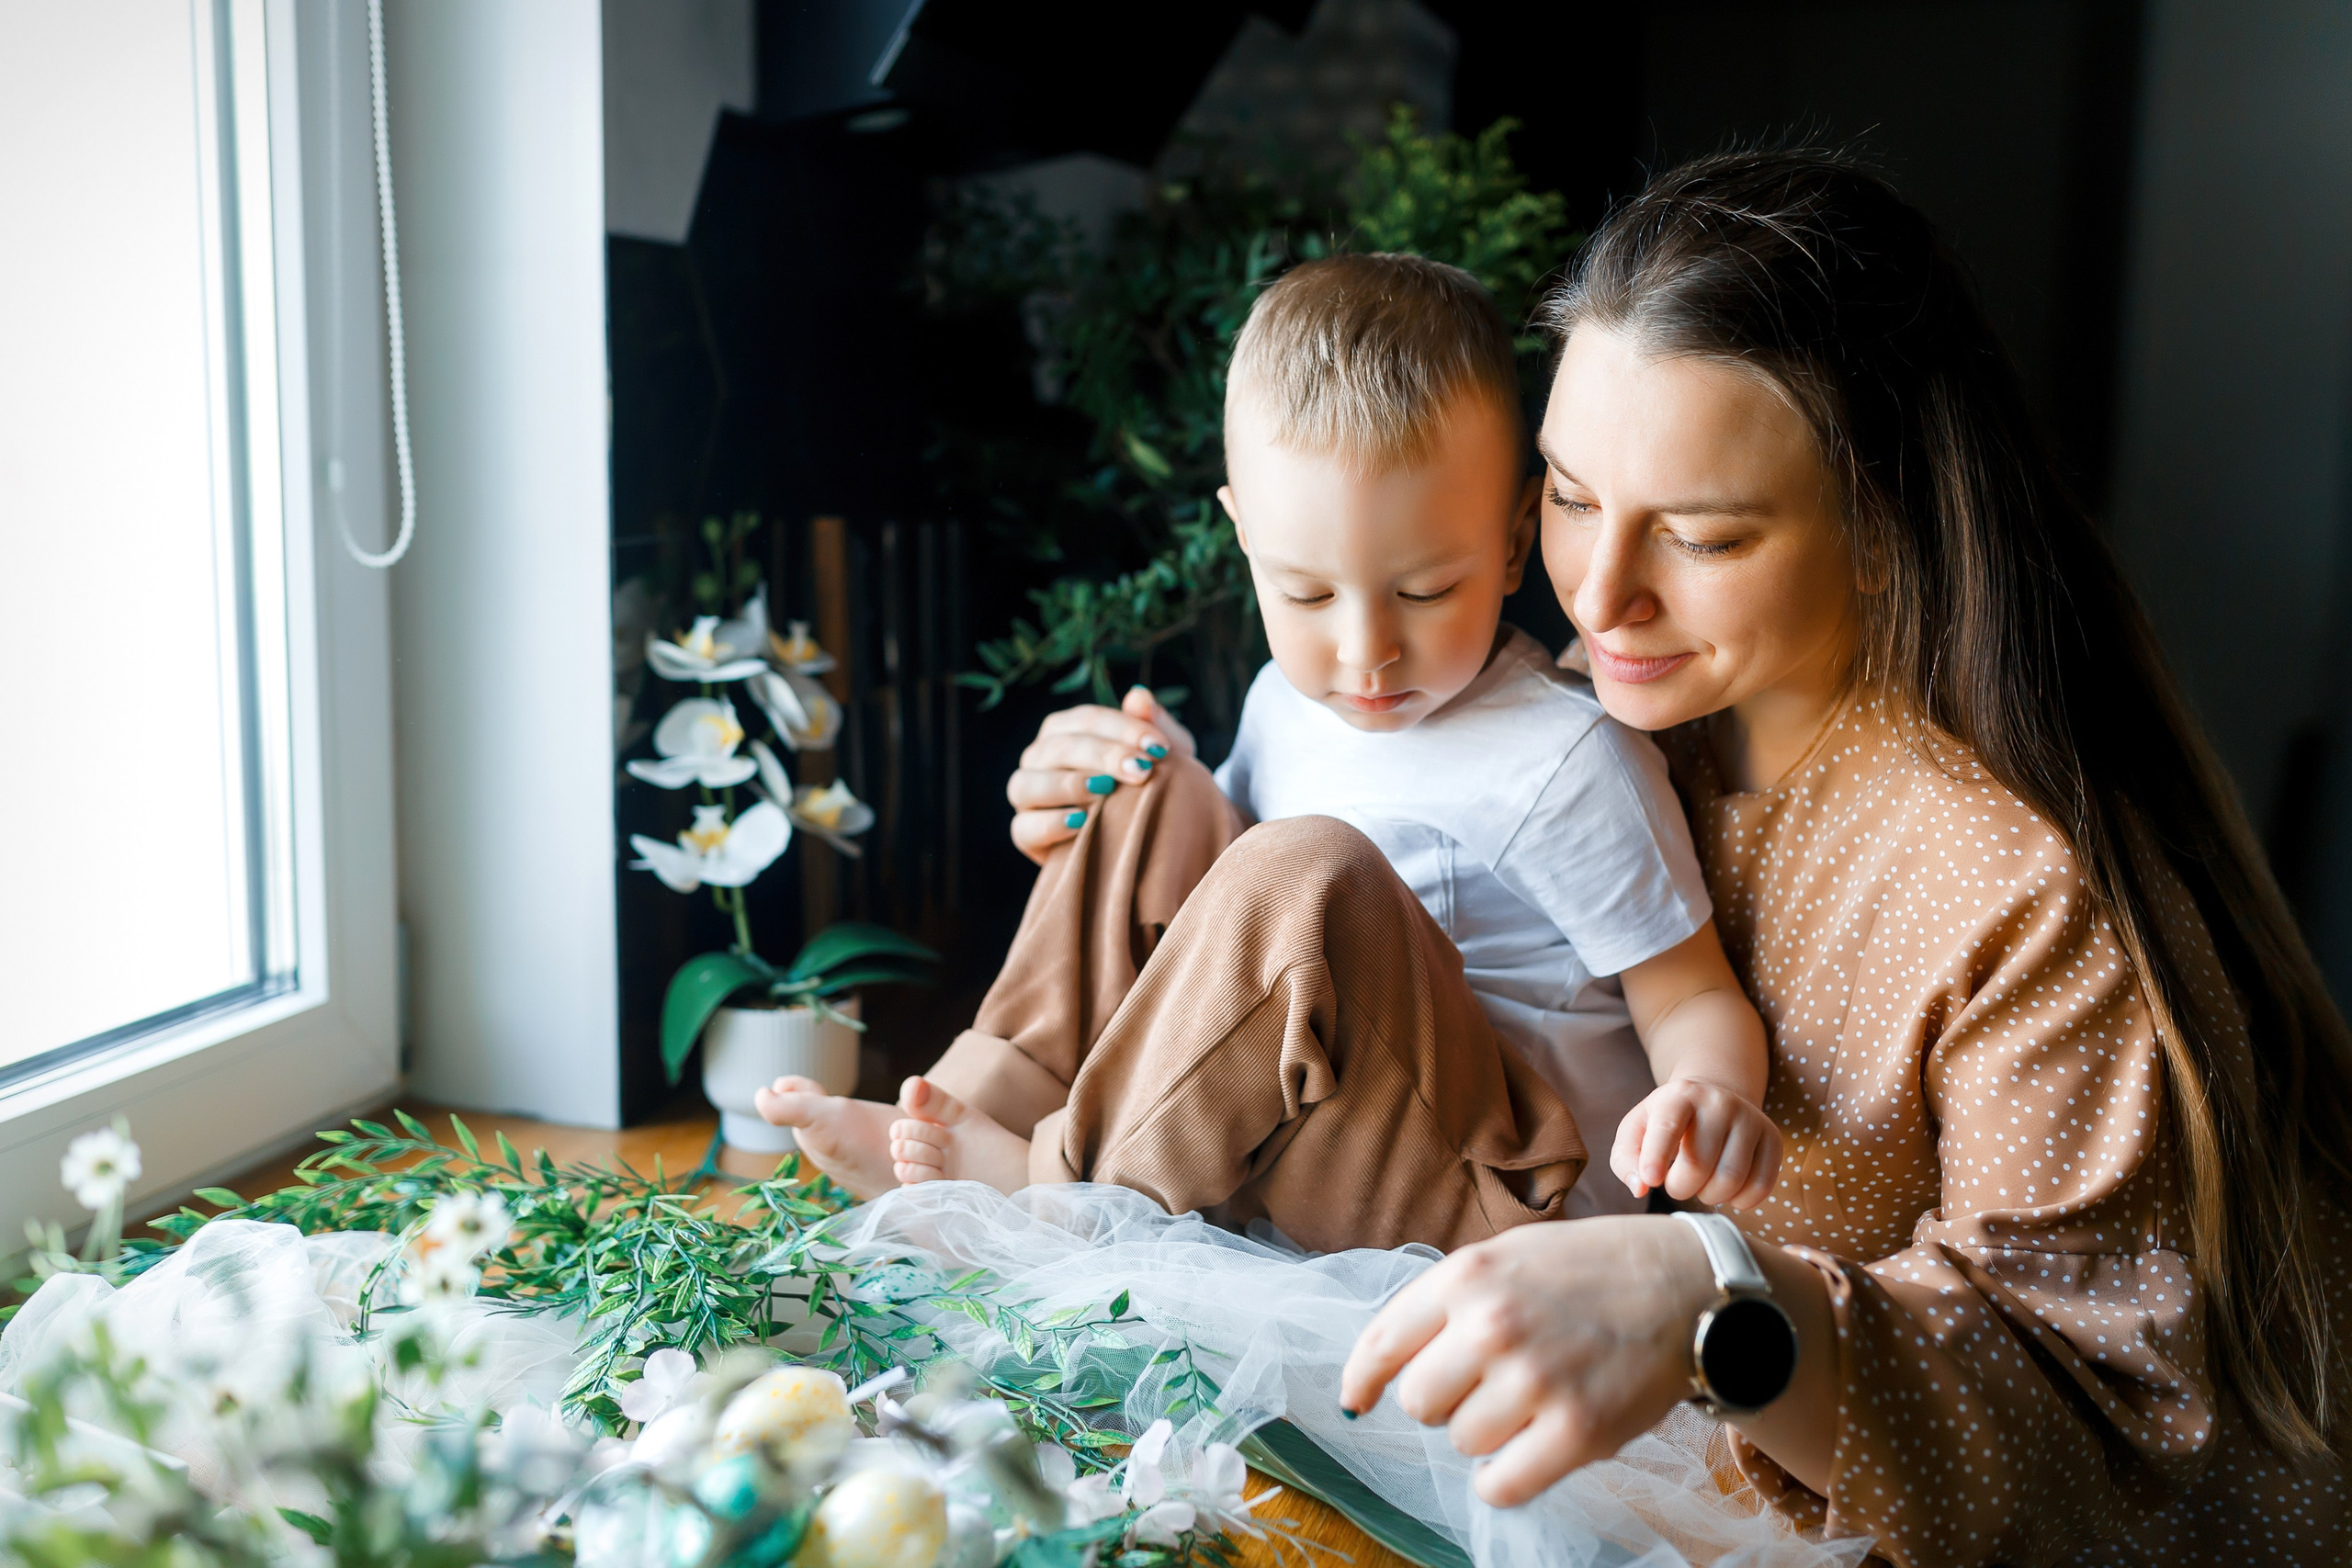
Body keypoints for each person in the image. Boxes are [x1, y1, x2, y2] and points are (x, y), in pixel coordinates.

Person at [1015, 149, 2352, 1565]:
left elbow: (2093, 1440)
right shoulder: (1596, 717)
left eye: (1702, 535)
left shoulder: (2017, 889)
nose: (1597, 596)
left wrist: (1709, 1299)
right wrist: (1147, 827)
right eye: (1571, 496)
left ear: (1882, 532)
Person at [758, 252, 1783, 1249]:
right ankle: (981, 1097)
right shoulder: (1282, 704)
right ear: (1243, 535)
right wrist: (1135, 808)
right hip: (1314, 1135)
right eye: (1305, 592)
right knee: (1151, 787)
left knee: (1308, 863)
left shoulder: (1565, 760)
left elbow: (1690, 994)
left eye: (1426, 590)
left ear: (1514, 541)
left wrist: (1708, 1092)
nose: (1366, 650)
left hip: (1499, 1199)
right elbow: (1220, 933)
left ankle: (1053, 1189)